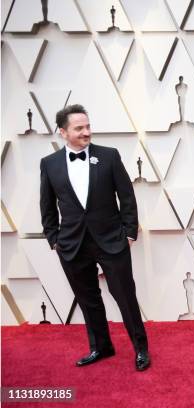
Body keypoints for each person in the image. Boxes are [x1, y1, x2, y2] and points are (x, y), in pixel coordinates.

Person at [40, 104, 150, 371]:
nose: (87, 132)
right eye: (79, 128)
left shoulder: (109, 156)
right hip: (72, 244)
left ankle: (141, 349)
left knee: (125, 296)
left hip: (112, 239)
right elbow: (47, 204)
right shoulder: (49, 164)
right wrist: (53, 238)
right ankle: (101, 347)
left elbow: (127, 197)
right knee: (88, 299)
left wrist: (129, 233)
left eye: (88, 126)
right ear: (63, 132)